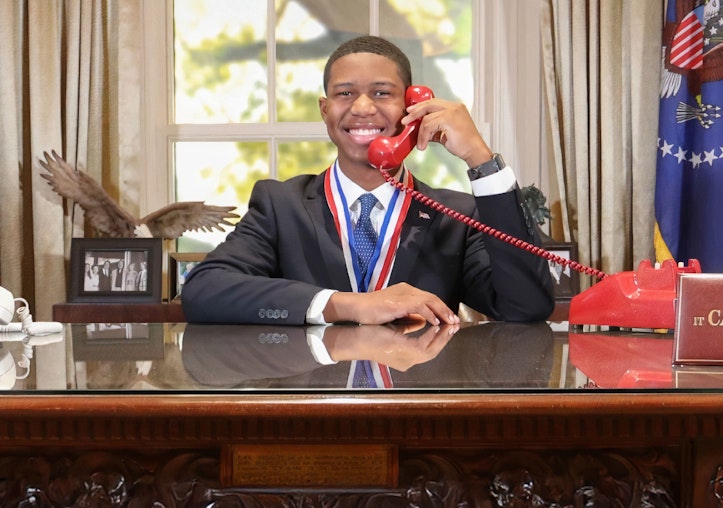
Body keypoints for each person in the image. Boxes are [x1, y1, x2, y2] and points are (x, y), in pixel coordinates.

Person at [182, 35, 554, 326]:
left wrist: (481, 159)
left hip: (420, 415)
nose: (362, 107)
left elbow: (526, 307)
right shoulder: (281, 205)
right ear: (325, 110)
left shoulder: (456, 215)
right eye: (345, 93)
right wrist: (346, 305)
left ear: (411, 106)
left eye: (382, 93)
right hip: (310, 412)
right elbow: (204, 290)